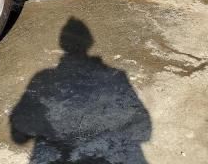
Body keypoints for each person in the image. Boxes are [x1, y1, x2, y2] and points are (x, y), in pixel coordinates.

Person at [10, 18, 151, 163]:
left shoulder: (43, 78)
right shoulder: (116, 76)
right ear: (89, 42)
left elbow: (19, 133)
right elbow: (143, 128)